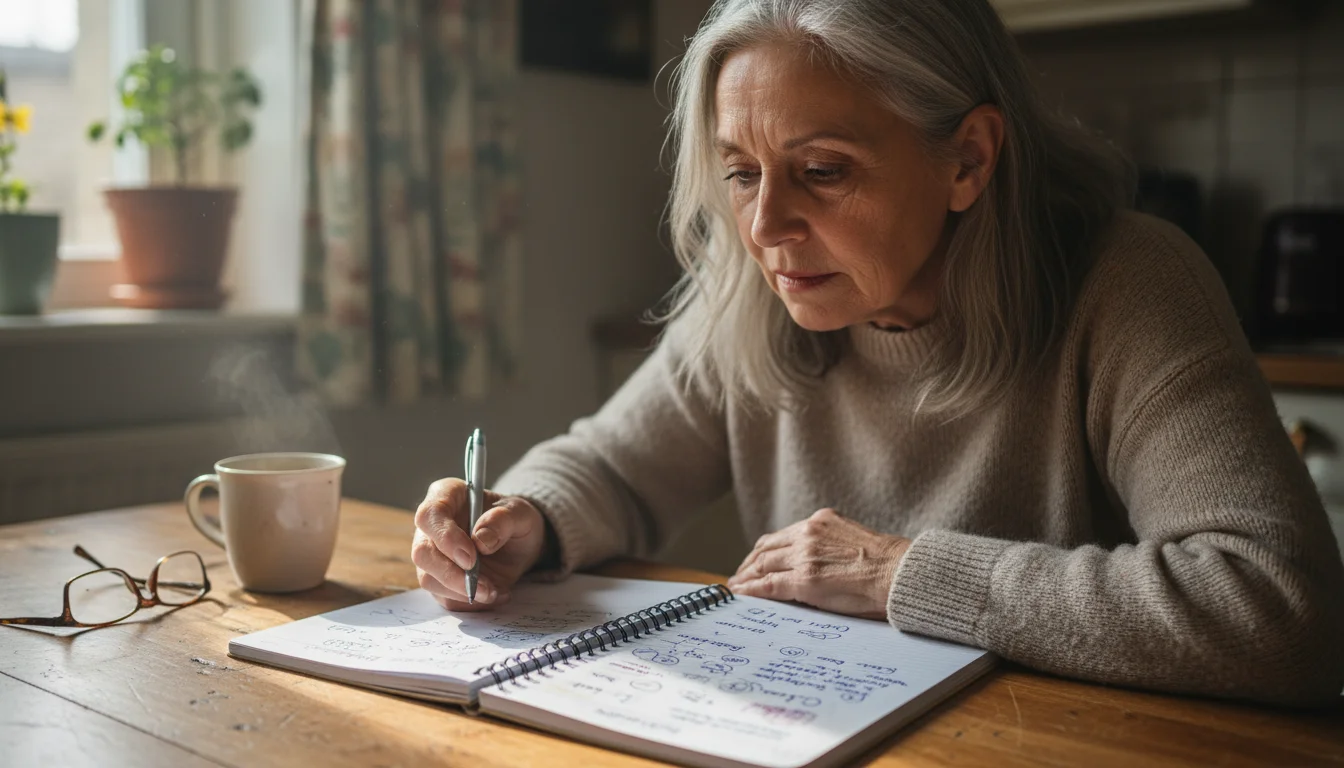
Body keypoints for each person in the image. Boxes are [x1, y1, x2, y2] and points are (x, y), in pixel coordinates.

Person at [410, 0, 1344, 707]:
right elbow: (612, 464)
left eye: (823, 171)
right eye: (741, 173)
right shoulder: (754, 287)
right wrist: (522, 515)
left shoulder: (1130, 283)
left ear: (968, 160)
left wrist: (904, 576)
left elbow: (1283, 610)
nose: (766, 225)